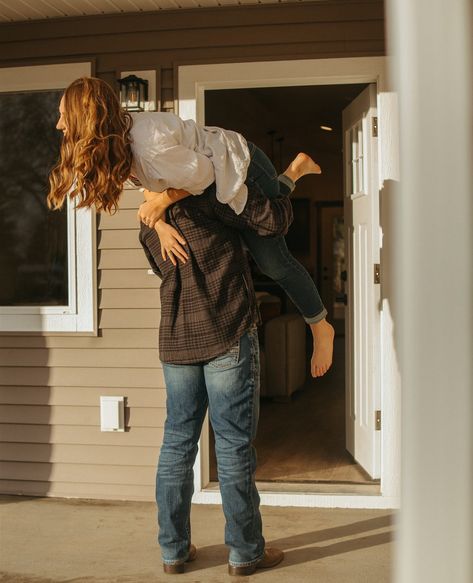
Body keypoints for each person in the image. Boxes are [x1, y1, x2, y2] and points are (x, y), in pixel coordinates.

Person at [48, 76, 334, 377]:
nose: (59, 125)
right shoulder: (118, 139)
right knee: (252, 232)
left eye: (64, 116)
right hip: (216, 171)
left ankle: (320, 326)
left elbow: (206, 176)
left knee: (273, 261)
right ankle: (293, 173)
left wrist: (160, 204)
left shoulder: (149, 145)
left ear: (86, 116)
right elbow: (143, 180)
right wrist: (158, 223)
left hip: (240, 164)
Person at [138, 176, 293, 575]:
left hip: (177, 341)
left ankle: (173, 552)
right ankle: (245, 553)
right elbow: (272, 221)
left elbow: (161, 270)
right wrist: (287, 183)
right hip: (226, 333)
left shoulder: (150, 221)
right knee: (234, 448)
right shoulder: (214, 198)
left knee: (176, 445)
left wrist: (159, 221)